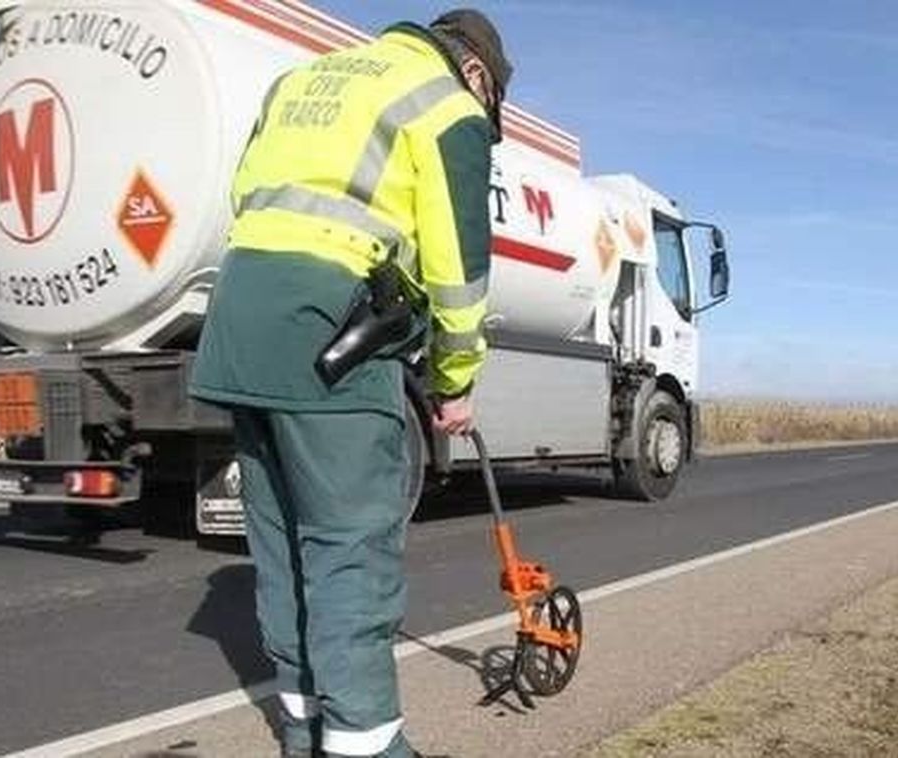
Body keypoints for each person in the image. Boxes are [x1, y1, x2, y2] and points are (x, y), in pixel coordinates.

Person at [188, 9, 512, 758]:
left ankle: (303, 732)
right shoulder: (444, 105)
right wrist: (453, 380)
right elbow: (459, 273)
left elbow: (249, 201)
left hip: (240, 325)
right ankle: (367, 744)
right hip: (332, 329)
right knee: (348, 551)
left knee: (282, 548)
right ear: (476, 74)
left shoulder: (299, 81)